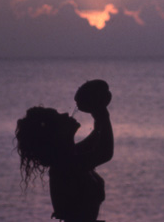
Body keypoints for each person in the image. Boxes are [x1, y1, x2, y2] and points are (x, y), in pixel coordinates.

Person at [16, 80, 113, 222]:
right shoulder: (64, 165)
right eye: (58, 116)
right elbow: (105, 152)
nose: (66, 114)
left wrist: (97, 111)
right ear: (54, 133)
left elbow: (97, 136)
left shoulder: (68, 156)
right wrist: (101, 112)